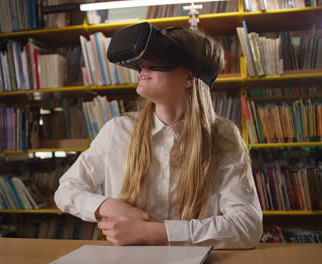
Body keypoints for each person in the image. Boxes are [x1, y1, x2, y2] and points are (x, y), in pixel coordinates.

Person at [54, 24, 263, 248]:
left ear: (190, 77)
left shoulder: (222, 138)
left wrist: (156, 232)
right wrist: (106, 205)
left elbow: (248, 226)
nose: (142, 67)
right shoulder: (118, 131)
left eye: (155, 60)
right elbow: (66, 190)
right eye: (141, 61)